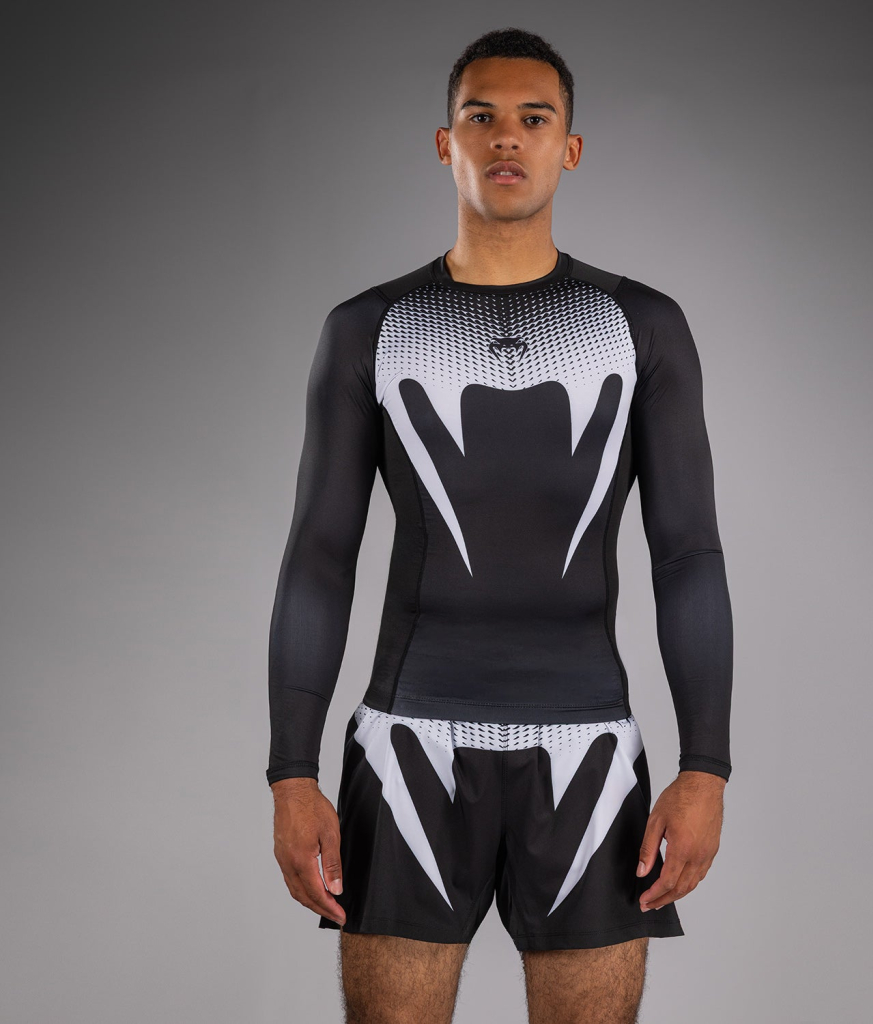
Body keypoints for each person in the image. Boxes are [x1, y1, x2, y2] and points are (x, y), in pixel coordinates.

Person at [266, 26, 733, 1024]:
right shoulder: (371, 327)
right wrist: (291, 773)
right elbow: (319, 557)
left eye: (534, 118)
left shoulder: (641, 326)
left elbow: (688, 555)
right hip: (408, 746)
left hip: (588, 750)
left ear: (570, 147)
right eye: (481, 117)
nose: (506, 137)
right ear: (447, 143)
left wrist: (705, 767)